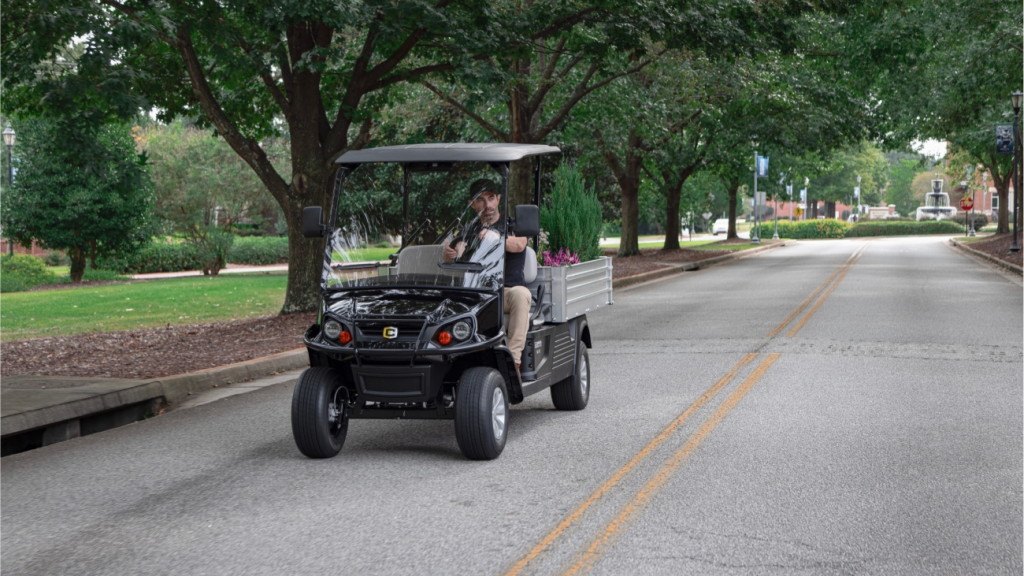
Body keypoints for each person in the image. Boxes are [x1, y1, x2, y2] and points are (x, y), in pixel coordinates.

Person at [443, 179, 531, 378]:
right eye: (480, 200)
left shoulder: (511, 225)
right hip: (476, 293)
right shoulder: (470, 229)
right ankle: (448, 362)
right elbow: (456, 250)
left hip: (504, 293)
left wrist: (497, 238)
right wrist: (449, 253)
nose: (488, 205)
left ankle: (514, 362)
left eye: (491, 198)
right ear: (472, 204)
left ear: (498, 199)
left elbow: (519, 244)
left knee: (521, 294)